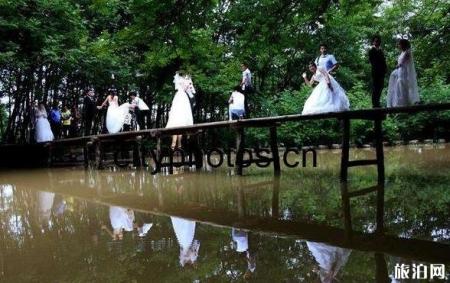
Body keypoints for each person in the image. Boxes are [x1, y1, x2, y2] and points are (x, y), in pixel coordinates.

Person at [166, 73, 196, 149]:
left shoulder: (180, 78)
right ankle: (177, 145)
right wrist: (189, 85)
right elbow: (191, 91)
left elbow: (188, 90)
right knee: (181, 117)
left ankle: (175, 144)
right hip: (182, 97)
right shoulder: (186, 79)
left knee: (179, 118)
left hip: (179, 96)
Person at [387, 39, 420, 107]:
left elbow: (402, 63)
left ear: (403, 45)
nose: (398, 46)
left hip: (404, 73)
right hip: (400, 72)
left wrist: (397, 66)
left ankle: (405, 104)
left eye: (399, 44)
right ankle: (400, 104)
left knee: (403, 87)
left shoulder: (407, 52)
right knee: (400, 87)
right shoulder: (403, 52)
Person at [368, 35, 387, 108]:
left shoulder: (381, 50)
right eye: (375, 41)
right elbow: (372, 61)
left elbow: (383, 61)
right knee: (376, 87)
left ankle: (377, 102)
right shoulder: (371, 50)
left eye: (378, 41)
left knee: (380, 87)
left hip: (381, 72)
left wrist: (385, 69)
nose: (377, 42)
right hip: (375, 71)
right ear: (373, 42)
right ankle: (375, 104)